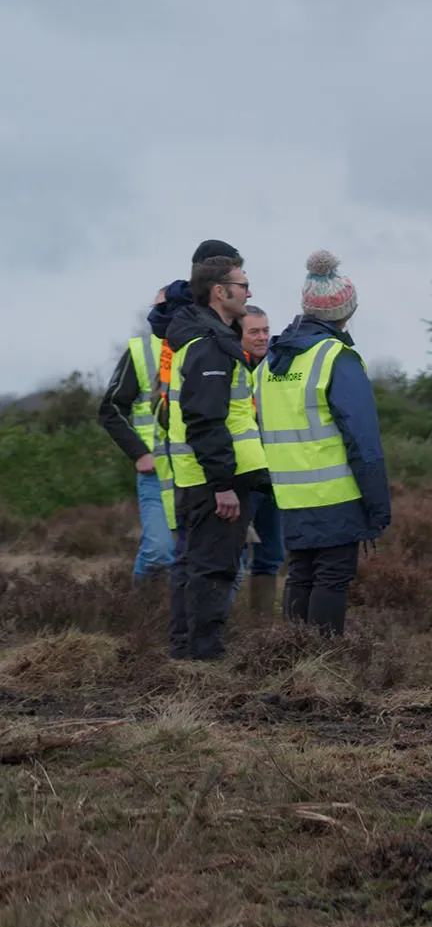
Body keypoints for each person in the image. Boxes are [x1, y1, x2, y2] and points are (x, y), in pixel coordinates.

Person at [260, 251, 391, 635]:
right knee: (332, 577)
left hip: (288, 493)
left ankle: (294, 657)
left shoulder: (270, 360)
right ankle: (322, 663)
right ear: (346, 311)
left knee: (300, 573)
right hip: (334, 494)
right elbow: (362, 439)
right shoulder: (337, 356)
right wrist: (377, 507)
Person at [162, 252, 268, 660]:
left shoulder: (206, 337)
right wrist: (223, 483)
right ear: (220, 292)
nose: (249, 292)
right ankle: (203, 656)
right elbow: (205, 420)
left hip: (202, 475)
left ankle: (186, 652)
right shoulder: (209, 346)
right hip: (214, 480)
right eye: (242, 285)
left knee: (193, 565)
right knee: (213, 569)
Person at [98, 288, 175, 593]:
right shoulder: (141, 350)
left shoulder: (204, 345)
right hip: (155, 470)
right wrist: (139, 453)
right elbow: (111, 408)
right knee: (159, 550)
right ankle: (139, 621)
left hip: (196, 470)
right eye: (159, 306)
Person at [235, 304, 285, 618]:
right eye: (254, 331)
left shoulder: (278, 366)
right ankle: (228, 627)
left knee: (271, 555)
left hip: (275, 475)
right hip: (240, 477)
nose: (263, 337)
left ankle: (261, 634)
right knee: (235, 556)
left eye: (266, 330)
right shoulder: (228, 366)